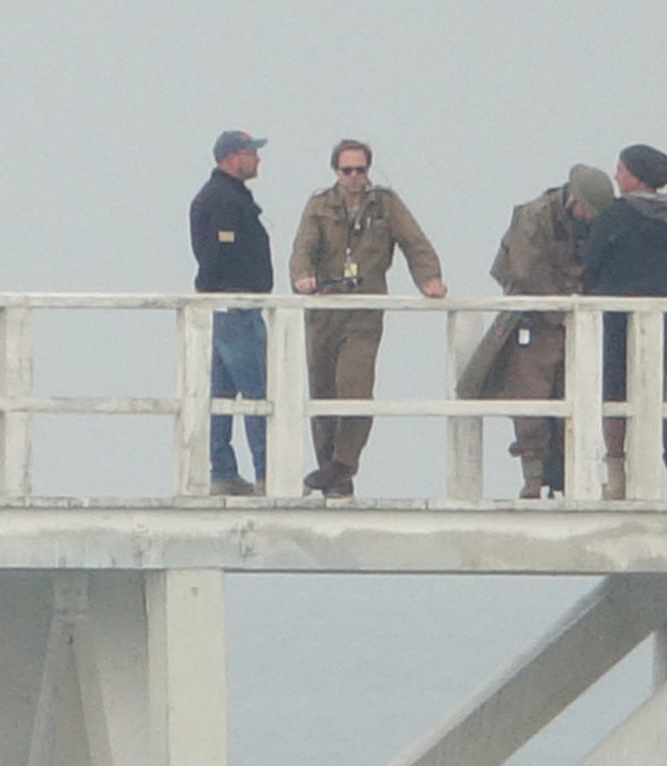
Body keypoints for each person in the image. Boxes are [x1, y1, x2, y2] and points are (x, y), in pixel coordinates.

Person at [290, 139, 445, 498]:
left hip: (363, 314)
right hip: (323, 314)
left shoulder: (385, 206)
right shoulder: (319, 207)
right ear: (336, 172)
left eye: (361, 169)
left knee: (355, 390)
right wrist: (302, 277)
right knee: (323, 396)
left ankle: (343, 463)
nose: (355, 177)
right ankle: (334, 477)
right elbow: (302, 250)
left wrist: (429, 279)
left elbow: (415, 244)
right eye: (347, 170)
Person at [456, 165, 613, 498]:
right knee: (530, 399)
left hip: (575, 319)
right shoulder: (534, 216)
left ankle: (566, 478)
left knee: (571, 396)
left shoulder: (593, 223)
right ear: (573, 199)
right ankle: (533, 478)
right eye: (586, 208)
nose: (588, 217)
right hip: (533, 318)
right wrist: (561, 309)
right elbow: (526, 271)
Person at [189, 131, 272, 497]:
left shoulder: (221, 196)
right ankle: (267, 472)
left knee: (220, 395)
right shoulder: (224, 200)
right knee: (258, 395)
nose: (256, 159)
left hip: (222, 308)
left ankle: (223, 470)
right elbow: (218, 256)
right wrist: (232, 291)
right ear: (230, 157)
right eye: (250, 152)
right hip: (236, 307)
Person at [583, 143, 667, 500]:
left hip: (619, 319)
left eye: (621, 170)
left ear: (636, 175)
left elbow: (592, 263)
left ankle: (616, 474)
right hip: (663, 318)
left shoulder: (614, 215)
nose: (615, 177)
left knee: (615, 393)